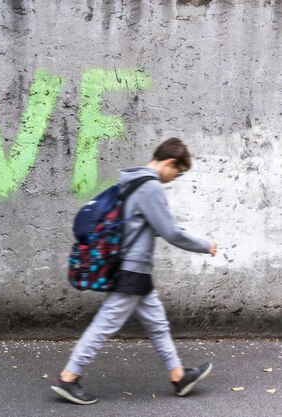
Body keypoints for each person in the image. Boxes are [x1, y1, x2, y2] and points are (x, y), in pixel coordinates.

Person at [51, 137, 218, 405]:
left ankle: (178, 376)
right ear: (170, 162)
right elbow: (171, 231)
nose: (175, 178)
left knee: (158, 324)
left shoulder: (131, 181)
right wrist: (204, 245)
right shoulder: (150, 187)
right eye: (178, 171)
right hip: (132, 270)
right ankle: (68, 377)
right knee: (104, 325)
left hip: (133, 269)